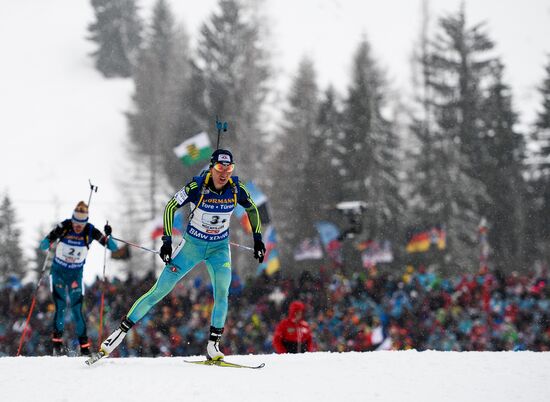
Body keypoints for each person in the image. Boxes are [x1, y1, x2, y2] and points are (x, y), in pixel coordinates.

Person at [96, 149, 266, 361]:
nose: (224, 173)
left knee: (222, 293)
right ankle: (118, 334)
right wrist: (166, 241)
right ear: (212, 167)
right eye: (220, 168)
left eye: (229, 169)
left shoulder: (236, 189)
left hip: (219, 249)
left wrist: (258, 239)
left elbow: (253, 209)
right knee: (159, 291)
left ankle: (214, 345)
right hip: (192, 246)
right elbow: (170, 207)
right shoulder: (197, 187)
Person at [39, 201, 118, 356]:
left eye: (81, 224)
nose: (77, 227)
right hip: (58, 273)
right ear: (72, 220)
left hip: (75, 275)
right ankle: (57, 346)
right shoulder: (65, 226)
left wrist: (109, 235)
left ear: (85, 222)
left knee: (77, 310)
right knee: (60, 307)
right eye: (75, 223)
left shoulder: (90, 230)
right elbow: (43, 245)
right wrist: (51, 237)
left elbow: (113, 247)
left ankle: (84, 348)